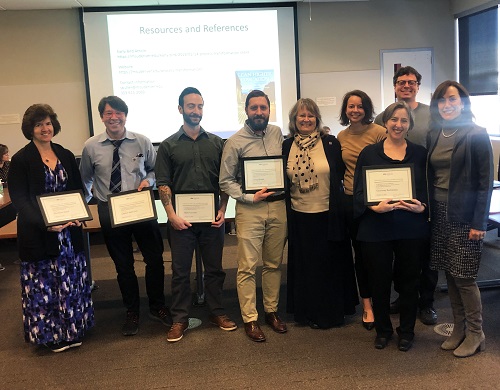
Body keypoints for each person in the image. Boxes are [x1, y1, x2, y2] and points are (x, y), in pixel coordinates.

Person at [80, 96, 169, 336]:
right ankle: (132, 311)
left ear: (125, 116)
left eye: (118, 113)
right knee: (123, 265)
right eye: (108, 113)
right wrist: (89, 204)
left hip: (140, 205)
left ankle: (157, 306)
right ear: (102, 117)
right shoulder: (91, 146)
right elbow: (86, 178)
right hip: (110, 209)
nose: (113, 117)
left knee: (155, 259)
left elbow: (154, 170)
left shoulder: (142, 141)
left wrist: (147, 181)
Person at [8, 104, 94, 352]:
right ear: (30, 129)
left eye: (47, 123)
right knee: (46, 284)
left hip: (68, 233)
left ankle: (74, 329)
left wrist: (80, 215)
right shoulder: (21, 159)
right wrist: (47, 223)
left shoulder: (65, 154)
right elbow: (21, 200)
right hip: (40, 233)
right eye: (38, 124)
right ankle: (52, 335)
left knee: (71, 280)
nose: (44, 128)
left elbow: (77, 189)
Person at [155, 87, 236, 343]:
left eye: (199, 106)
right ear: (180, 109)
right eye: (190, 106)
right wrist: (171, 215)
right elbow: (163, 184)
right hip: (181, 221)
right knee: (180, 271)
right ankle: (179, 319)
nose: (196, 111)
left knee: (215, 269)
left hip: (212, 219)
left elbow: (224, 181)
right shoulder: (168, 145)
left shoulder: (216, 143)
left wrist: (223, 209)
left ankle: (216, 312)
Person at [353, 101, 429, 351]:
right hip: (376, 227)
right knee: (379, 281)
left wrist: (422, 207)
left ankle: (406, 331)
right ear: (385, 122)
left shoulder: (420, 153)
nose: (398, 125)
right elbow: (359, 191)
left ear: (410, 125)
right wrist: (373, 206)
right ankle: (383, 330)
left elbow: (427, 189)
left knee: (409, 281)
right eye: (394, 119)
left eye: (404, 120)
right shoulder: (369, 153)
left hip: (411, 227)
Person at [427, 81, 493, 358]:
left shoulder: (477, 134)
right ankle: (459, 328)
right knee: (449, 274)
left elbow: (484, 183)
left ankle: (476, 333)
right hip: (439, 213)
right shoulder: (434, 134)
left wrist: (479, 223)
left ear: (463, 102)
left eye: (452, 99)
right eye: (442, 100)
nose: (448, 105)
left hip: (465, 216)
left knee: (465, 277)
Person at [283, 98, 358, 329]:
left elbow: (342, 174)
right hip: (299, 214)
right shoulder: (286, 146)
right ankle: (307, 312)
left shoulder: (331, 144)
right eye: (301, 116)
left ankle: (331, 314)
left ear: (317, 119)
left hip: (328, 214)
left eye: (310, 115)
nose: (306, 119)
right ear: (294, 120)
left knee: (329, 266)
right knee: (307, 267)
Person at [219, 90, 288, 342]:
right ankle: (250, 318)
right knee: (247, 266)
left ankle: (271, 311)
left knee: (273, 263)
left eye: (263, 108)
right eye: (254, 108)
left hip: (278, 207)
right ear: (246, 110)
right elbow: (225, 181)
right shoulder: (234, 142)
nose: (259, 112)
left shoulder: (277, 133)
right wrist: (249, 197)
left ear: (269, 110)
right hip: (250, 209)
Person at [375, 66, 437, 325]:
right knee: (405, 252)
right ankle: (404, 297)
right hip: (393, 189)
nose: (407, 86)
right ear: (395, 86)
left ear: (418, 85)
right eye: (402, 82)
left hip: (423, 184)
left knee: (425, 251)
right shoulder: (384, 115)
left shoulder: (430, 114)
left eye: (411, 82)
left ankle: (427, 303)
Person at [337, 90, 386, 330]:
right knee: (360, 256)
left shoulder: (379, 132)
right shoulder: (341, 136)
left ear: (366, 108)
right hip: (351, 203)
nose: (355, 110)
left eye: (359, 106)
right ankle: (367, 305)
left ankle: (382, 302)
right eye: (350, 106)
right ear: (345, 110)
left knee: (377, 256)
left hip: (376, 204)